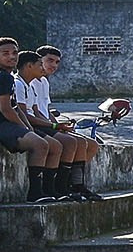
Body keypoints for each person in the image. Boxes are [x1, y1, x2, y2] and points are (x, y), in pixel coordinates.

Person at [0, 48, 66, 202]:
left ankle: (52, 189)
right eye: (6, 53)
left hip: (7, 123)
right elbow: (6, 110)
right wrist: (26, 128)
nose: (12, 57)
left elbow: (17, 107)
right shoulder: (5, 78)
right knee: (41, 145)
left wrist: (32, 127)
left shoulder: (14, 79)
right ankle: (35, 193)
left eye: (14, 53)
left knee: (56, 146)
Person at [25, 47, 98, 198]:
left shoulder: (44, 82)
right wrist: (54, 126)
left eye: (57, 62)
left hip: (46, 123)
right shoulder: (29, 82)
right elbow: (35, 112)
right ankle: (60, 186)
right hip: (38, 125)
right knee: (71, 142)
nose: (53, 65)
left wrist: (59, 124)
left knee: (91, 144)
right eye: (49, 61)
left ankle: (76, 184)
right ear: (38, 61)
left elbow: (47, 109)